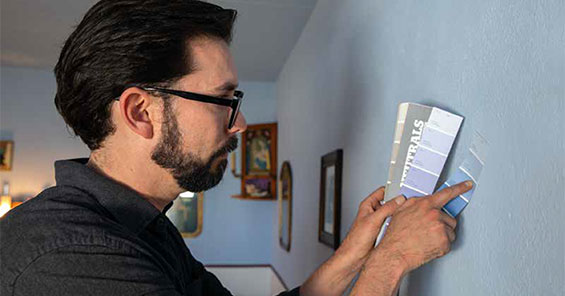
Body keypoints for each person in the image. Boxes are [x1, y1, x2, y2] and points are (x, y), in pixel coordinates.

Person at [0, 1, 472, 295]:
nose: (241, 123)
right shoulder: (70, 261)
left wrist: (355, 253)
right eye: (223, 100)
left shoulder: (143, 227)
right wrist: (391, 261)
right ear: (141, 112)